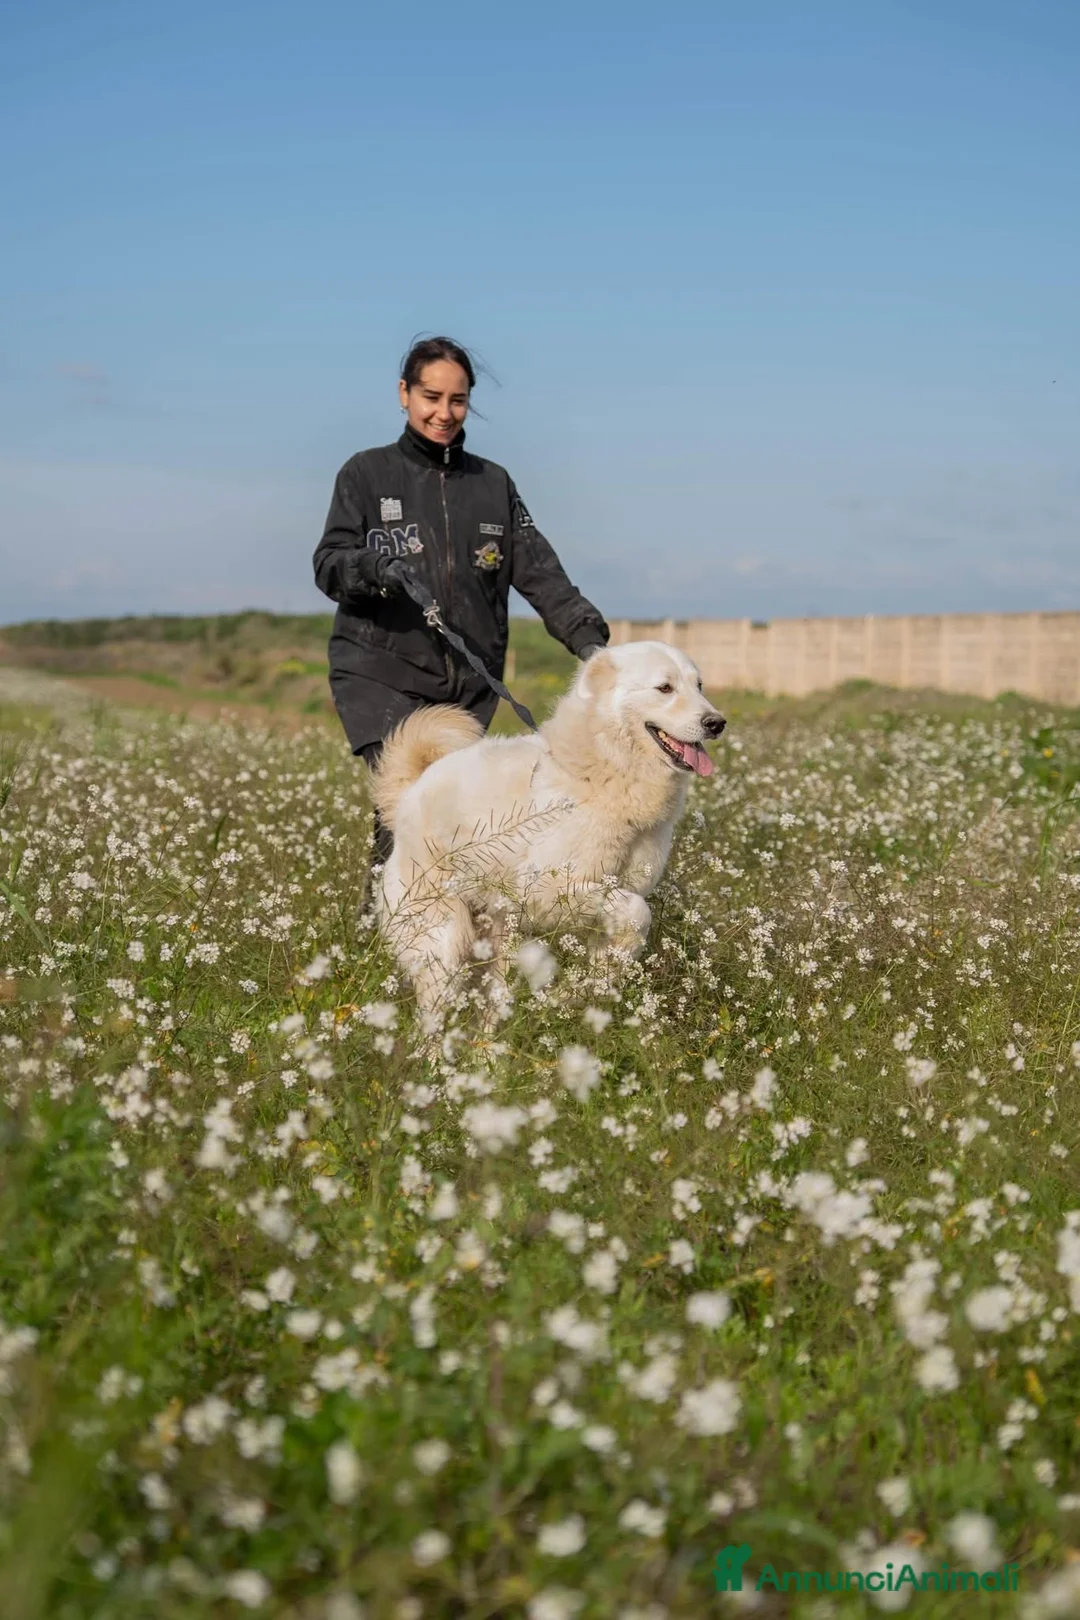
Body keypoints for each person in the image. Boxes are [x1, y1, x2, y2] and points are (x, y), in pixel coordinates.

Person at [313, 335, 610, 871]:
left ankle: (428, 934)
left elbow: (540, 572)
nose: (443, 413)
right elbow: (329, 562)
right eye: (431, 397)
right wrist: (375, 569)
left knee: (448, 815)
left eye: (457, 399)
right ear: (404, 393)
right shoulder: (365, 473)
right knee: (409, 803)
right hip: (380, 674)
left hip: (469, 685)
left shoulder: (494, 484)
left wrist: (591, 643)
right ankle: (385, 932)